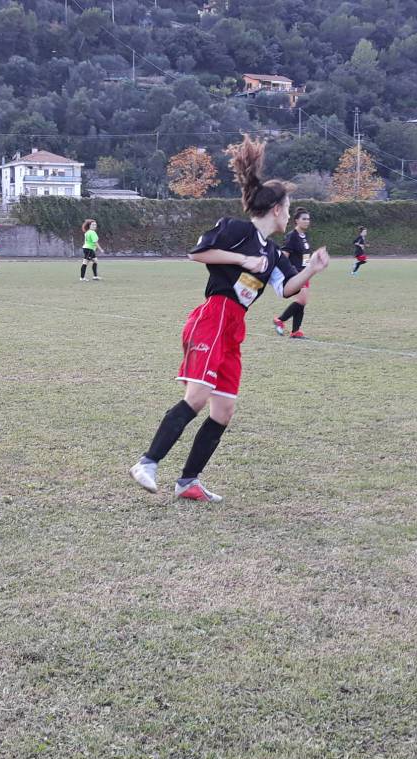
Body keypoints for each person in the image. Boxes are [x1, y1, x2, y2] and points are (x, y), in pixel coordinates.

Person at [129, 135, 330, 502]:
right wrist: (241, 260)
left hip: (235, 326)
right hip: (214, 316)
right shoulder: (237, 230)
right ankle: (147, 462)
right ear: (275, 209)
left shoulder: (272, 251)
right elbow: (197, 253)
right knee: (198, 397)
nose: (290, 213)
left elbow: (286, 288)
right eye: (288, 207)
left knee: (224, 409)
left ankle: (188, 481)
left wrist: (312, 270)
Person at [272, 208, 312, 339]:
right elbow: (284, 256)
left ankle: (295, 331)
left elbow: (305, 255)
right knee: (302, 300)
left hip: (304, 273)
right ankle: (280, 319)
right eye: (304, 219)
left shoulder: (304, 236)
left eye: (308, 219)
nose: (307, 221)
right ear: (296, 221)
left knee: (302, 302)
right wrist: (288, 272)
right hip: (296, 274)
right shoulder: (292, 236)